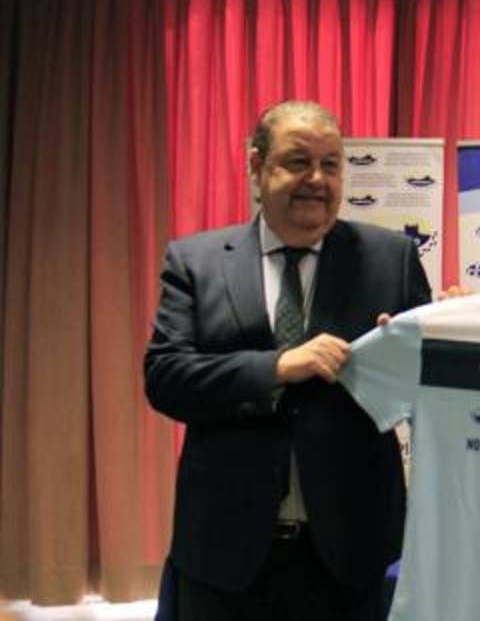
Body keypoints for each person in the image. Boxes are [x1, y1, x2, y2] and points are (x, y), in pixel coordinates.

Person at [145, 101, 431, 620]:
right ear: (256, 166)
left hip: (351, 557)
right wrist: (276, 367)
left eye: (331, 164)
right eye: (298, 162)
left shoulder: (392, 260)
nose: (317, 180)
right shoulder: (196, 262)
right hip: (224, 556)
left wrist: (428, 345)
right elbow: (166, 378)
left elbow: (429, 393)